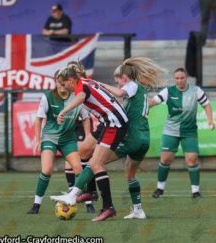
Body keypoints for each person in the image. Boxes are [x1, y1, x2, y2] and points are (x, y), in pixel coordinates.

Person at [83, 57, 167, 219]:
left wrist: (101, 85)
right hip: (144, 138)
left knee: (96, 162)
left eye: (118, 82)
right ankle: (138, 210)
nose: (118, 86)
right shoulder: (139, 91)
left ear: (124, 78)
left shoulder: (133, 86)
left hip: (133, 138)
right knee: (130, 173)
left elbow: (121, 92)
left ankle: (75, 193)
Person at [50, 65, 129, 221]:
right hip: (106, 122)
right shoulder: (84, 82)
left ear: (70, 80)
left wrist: (63, 112)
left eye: (64, 84)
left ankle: (108, 207)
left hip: (114, 123)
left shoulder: (81, 88)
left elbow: (80, 98)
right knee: (84, 151)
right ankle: (91, 192)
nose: (63, 87)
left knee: (96, 163)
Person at [26, 70, 90, 214]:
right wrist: (37, 140)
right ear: (55, 82)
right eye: (59, 83)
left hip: (68, 139)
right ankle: (36, 205)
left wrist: (87, 138)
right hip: (49, 137)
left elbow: (86, 118)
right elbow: (38, 119)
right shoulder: (48, 97)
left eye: (64, 83)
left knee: (78, 168)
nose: (62, 86)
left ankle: (88, 202)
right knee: (47, 170)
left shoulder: (77, 97)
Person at [150, 68, 215, 199]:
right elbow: (153, 102)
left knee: (192, 160)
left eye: (182, 78)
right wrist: (141, 105)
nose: (179, 80)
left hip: (189, 131)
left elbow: (207, 105)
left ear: (186, 78)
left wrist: (210, 120)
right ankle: (160, 188)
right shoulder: (168, 91)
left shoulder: (196, 91)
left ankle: (195, 191)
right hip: (170, 131)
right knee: (165, 159)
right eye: (177, 78)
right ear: (174, 79)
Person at [64, 61, 98, 214]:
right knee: (69, 161)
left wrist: (87, 135)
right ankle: (73, 193)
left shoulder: (83, 87)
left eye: (74, 70)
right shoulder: (63, 86)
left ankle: (89, 200)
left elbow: (86, 117)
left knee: (80, 158)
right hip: (66, 128)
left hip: (79, 128)